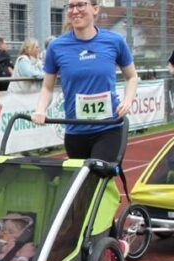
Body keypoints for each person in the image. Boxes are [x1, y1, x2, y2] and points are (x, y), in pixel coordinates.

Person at [31, 0, 138, 163]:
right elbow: (47, 87)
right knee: (83, 183)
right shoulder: (57, 46)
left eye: (80, 5)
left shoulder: (114, 41)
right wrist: (40, 109)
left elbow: (131, 76)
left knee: (97, 173)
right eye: (71, 6)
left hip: (109, 128)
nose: (75, 11)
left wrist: (128, 100)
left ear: (95, 9)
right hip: (75, 129)